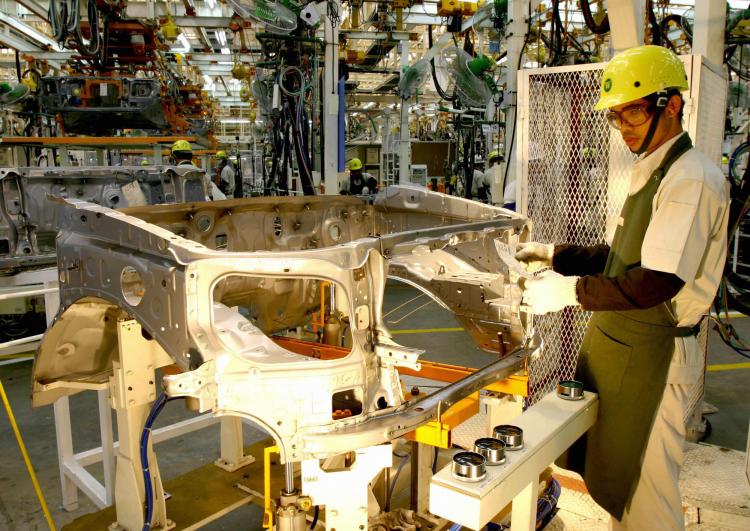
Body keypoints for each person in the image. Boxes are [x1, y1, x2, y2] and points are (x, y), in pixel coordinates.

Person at [515, 45, 729, 530]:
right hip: (626, 352)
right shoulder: (653, 170)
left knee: (647, 497)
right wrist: (554, 255)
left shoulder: (690, 178)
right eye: (617, 116)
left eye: (633, 110)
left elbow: (657, 282)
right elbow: (616, 260)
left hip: (655, 361)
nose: (625, 126)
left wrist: (569, 294)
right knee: (622, 492)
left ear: (670, 104)